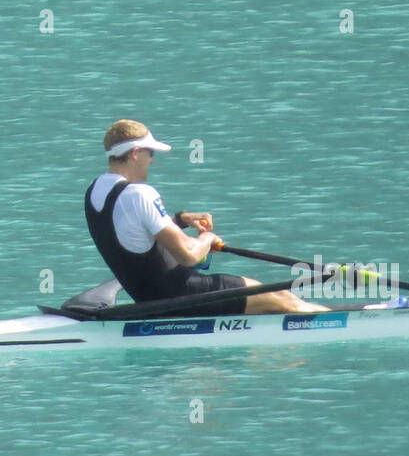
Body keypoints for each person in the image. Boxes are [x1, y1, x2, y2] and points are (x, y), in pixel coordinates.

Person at [85, 120, 326, 314]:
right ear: (136, 153)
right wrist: (207, 240)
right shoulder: (140, 193)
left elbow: (133, 231)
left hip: (147, 297)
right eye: (150, 153)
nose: (153, 159)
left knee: (267, 304)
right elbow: (188, 256)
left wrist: (180, 220)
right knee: (284, 298)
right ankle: (334, 322)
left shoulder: (95, 190)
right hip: (182, 296)